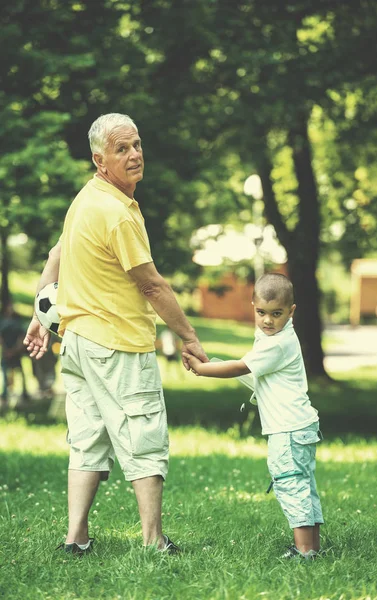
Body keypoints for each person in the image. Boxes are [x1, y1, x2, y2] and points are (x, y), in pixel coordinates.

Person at [24, 112, 208, 555]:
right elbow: (152, 285)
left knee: (87, 440)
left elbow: (57, 252)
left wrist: (38, 313)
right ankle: (151, 541)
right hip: (117, 345)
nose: (134, 155)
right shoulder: (115, 213)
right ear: (99, 159)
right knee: (143, 439)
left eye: (137, 145)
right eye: (122, 149)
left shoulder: (86, 199)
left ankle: (76, 538)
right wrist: (188, 337)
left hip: (78, 345)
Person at [183, 273, 324, 560]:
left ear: (291, 311)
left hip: (288, 430)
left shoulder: (277, 343)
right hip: (300, 426)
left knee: (290, 483)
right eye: (261, 312)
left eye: (276, 313)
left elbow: (241, 368)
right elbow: (255, 376)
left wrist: (202, 369)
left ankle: (305, 550)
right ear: (253, 306)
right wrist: (214, 364)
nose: (268, 320)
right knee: (303, 483)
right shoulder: (275, 336)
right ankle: (312, 546)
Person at [0, 302, 30, 412]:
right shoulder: (2, 322)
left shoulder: (17, 322)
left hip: (15, 353)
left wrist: (14, 350)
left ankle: (24, 393)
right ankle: (4, 394)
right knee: (5, 375)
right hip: (7, 353)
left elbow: (22, 337)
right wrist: (7, 350)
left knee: (20, 374)